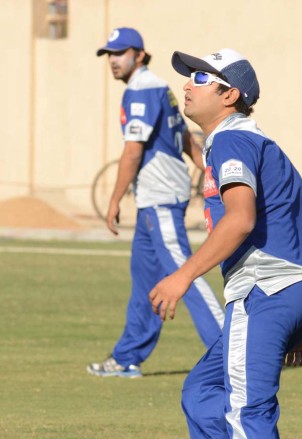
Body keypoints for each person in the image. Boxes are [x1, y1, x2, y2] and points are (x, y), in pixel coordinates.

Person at [149, 48, 302, 439]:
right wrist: (298, 311)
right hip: (289, 292)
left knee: (249, 412)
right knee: (203, 390)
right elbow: (290, 219)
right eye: (188, 76)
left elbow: (241, 219)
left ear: (230, 95)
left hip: (265, 294)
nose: (188, 84)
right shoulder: (254, 141)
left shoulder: (231, 139)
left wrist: (183, 275)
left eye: (201, 77)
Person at [87, 28, 225, 378]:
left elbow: (133, 152)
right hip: (153, 201)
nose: (114, 60)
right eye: (110, 54)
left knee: (185, 274)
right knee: (147, 284)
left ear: (139, 54)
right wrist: (211, 174)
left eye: (120, 53)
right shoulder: (159, 88)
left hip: (162, 199)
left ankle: (231, 347)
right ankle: (127, 357)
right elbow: (187, 142)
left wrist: (115, 199)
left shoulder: (142, 91)